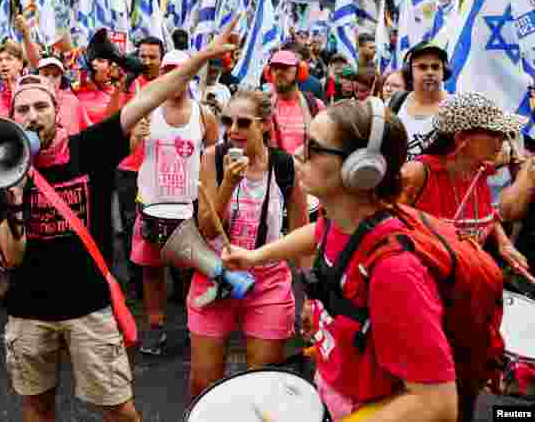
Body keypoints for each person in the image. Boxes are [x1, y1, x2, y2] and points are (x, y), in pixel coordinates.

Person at [0, 19, 240, 422]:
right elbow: (13, 255)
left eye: (41, 105)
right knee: (36, 409)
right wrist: (15, 199)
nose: (32, 115)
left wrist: (200, 58)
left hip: (88, 307)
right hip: (29, 312)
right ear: (12, 118)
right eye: (22, 109)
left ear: (58, 112)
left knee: (119, 411)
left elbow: (150, 97)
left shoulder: (89, 147)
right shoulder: (3, 169)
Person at [222, 99, 458, 421]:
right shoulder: (341, 220)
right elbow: (316, 232)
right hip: (332, 391)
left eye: (315, 148)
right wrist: (255, 256)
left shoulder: (395, 272)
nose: (301, 155)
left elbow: (437, 404)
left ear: (360, 170)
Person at [190, 89, 307, 398]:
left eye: (243, 123)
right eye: (227, 121)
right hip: (215, 275)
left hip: (268, 283)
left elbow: (302, 236)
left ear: (265, 124)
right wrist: (228, 183)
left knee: (262, 386)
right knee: (204, 386)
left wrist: (313, 298)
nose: (233, 131)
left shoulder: (286, 166)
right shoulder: (212, 157)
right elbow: (207, 229)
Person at [128, 50, 212, 356]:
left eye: (181, 69)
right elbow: (129, 151)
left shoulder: (204, 114)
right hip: (151, 203)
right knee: (152, 270)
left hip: (188, 207)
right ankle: (155, 327)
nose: (175, 75)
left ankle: (195, 325)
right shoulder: (148, 110)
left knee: (192, 271)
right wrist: (135, 136)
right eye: (169, 70)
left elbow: (213, 157)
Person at [399, 93, 530, 277]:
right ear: (461, 139)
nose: (502, 139)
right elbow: (388, 233)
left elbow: (486, 217)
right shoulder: (416, 175)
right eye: (494, 133)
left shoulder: (481, 170)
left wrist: (503, 243)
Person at [115, 37, 166, 300]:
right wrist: (123, 87)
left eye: (152, 57)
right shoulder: (129, 83)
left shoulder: (171, 85)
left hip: (160, 167)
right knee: (129, 225)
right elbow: (114, 117)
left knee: (162, 223)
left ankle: (167, 282)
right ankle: (136, 284)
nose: (145, 61)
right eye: (142, 56)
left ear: (161, 59)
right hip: (129, 168)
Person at [390, 42, 452, 158]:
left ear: (444, 71)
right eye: (422, 67)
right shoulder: (395, 102)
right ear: (409, 72)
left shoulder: (456, 108)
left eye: (435, 67)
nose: (430, 72)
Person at [268, 49, 325, 156]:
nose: (279, 72)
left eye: (285, 68)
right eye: (275, 68)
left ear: (299, 72)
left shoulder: (316, 105)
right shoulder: (264, 106)